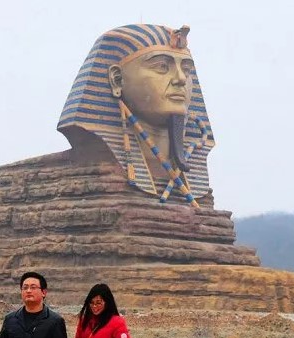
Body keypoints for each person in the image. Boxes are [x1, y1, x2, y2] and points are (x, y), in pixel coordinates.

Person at [57, 23, 214, 204]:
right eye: (162, 67)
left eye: (186, 70)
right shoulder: (95, 180)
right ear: (117, 79)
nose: (180, 79)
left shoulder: (199, 193)